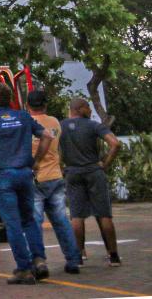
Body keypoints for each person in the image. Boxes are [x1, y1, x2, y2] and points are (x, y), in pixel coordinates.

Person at [0, 82, 54, 285]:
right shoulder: (24, 117)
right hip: (25, 174)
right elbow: (47, 135)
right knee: (30, 220)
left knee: (13, 223)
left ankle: (24, 269)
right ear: (10, 99)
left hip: (3, 177)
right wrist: (36, 162)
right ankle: (39, 260)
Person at [60, 97, 123, 267]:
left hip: (72, 172)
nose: (90, 111)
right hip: (94, 172)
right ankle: (113, 255)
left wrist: (61, 167)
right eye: (88, 107)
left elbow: (52, 149)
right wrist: (104, 164)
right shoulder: (94, 126)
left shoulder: (61, 126)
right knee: (104, 214)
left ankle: (79, 256)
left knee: (76, 215)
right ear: (80, 108)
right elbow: (115, 144)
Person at [26, 91, 82, 274]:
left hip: (35, 178)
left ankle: (39, 262)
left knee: (34, 223)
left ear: (28, 105)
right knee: (61, 221)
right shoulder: (55, 122)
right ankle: (73, 260)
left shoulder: (26, 124)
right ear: (45, 105)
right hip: (55, 177)